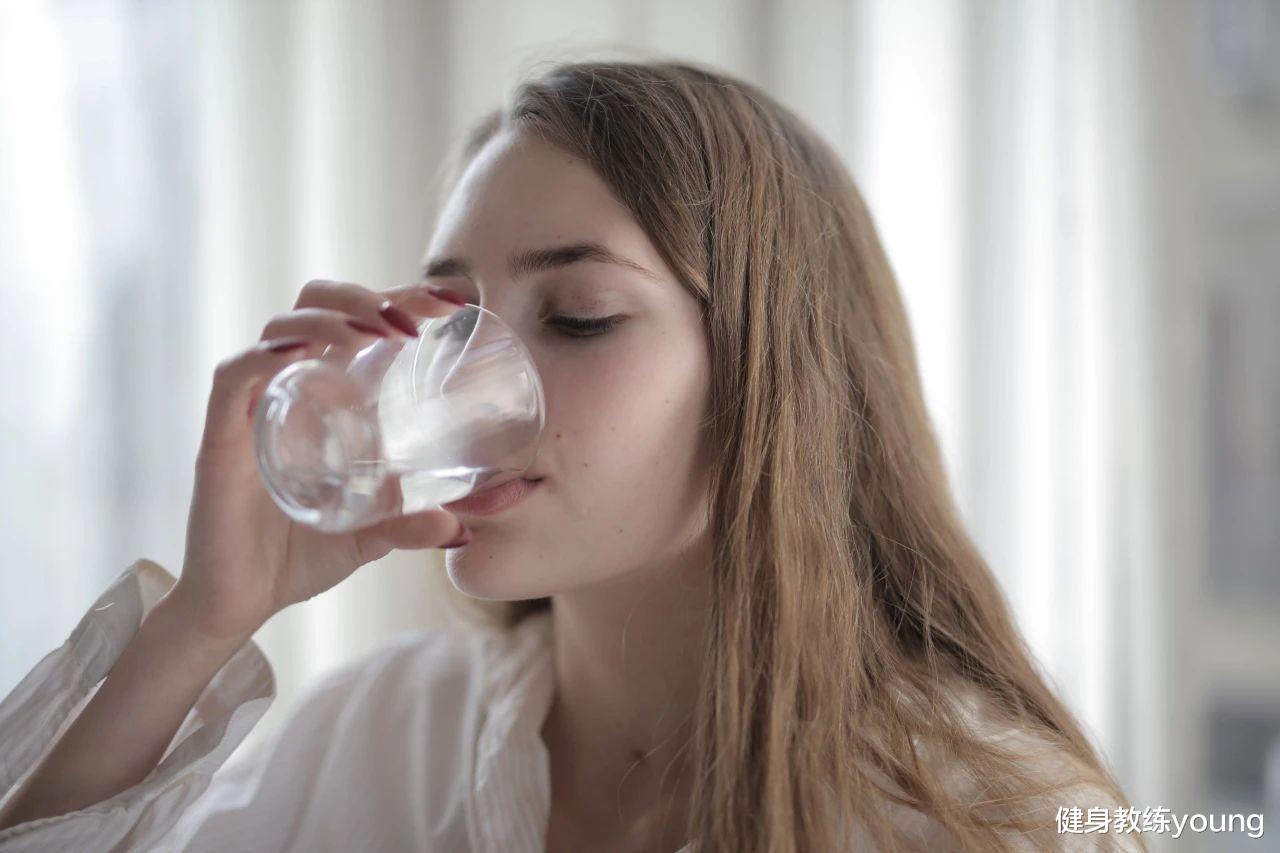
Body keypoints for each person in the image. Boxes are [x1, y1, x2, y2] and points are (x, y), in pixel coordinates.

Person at [0, 60, 1144, 852]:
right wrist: (202, 621)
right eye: (445, 320)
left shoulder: (986, 817)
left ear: (772, 377)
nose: (459, 380)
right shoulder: (388, 734)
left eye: (580, 314)